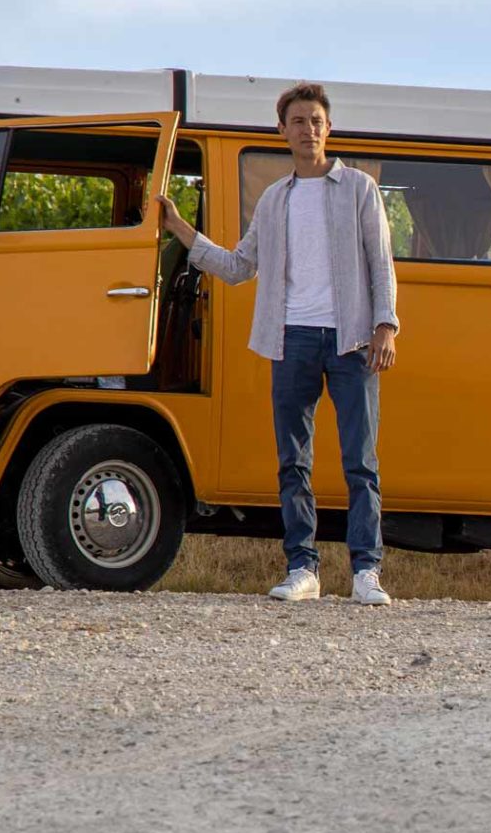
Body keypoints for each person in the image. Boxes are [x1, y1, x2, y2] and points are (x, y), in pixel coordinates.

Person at [158, 83, 400, 604]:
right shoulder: (274, 200)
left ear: (328, 129)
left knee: (360, 459)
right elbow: (239, 267)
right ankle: (303, 569)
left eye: (316, 120)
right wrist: (180, 228)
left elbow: (381, 262)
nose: (308, 129)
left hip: (352, 340)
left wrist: (387, 325)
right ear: (282, 131)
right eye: (298, 121)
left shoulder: (358, 188)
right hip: (291, 339)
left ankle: (366, 572)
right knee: (293, 460)